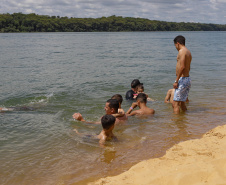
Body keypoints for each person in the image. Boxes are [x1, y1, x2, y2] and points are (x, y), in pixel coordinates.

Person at [172, 35, 192, 114]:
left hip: (182, 79)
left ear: (177, 43)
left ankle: (176, 123)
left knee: (175, 104)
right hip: (187, 79)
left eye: (175, 46)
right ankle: (183, 121)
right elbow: (188, 67)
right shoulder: (188, 51)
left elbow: (182, 66)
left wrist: (176, 81)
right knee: (182, 102)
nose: (175, 47)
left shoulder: (182, 51)